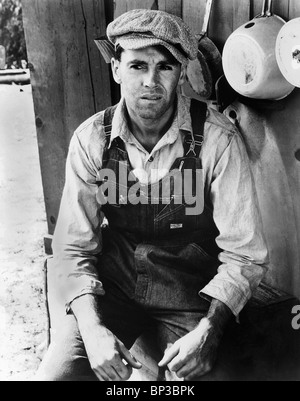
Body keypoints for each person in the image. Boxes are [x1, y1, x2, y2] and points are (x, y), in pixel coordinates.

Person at [36, 9, 268, 381]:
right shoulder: (92, 139)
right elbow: (73, 248)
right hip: (114, 286)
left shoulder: (217, 140)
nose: (151, 82)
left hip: (190, 289)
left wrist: (210, 330)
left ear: (181, 72)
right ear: (116, 69)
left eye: (165, 67)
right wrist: (93, 332)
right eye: (137, 66)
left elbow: (245, 254)